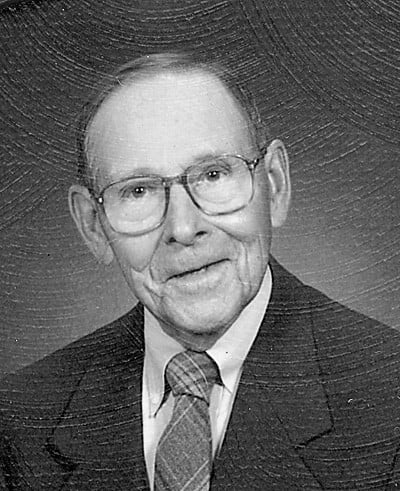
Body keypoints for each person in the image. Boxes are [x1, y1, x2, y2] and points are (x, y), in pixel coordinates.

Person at [1, 52, 399, 490]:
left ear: (274, 184)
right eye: (138, 190)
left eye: (213, 174)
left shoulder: (388, 394)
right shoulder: (19, 420)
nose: (184, 229)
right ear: (93, 225)